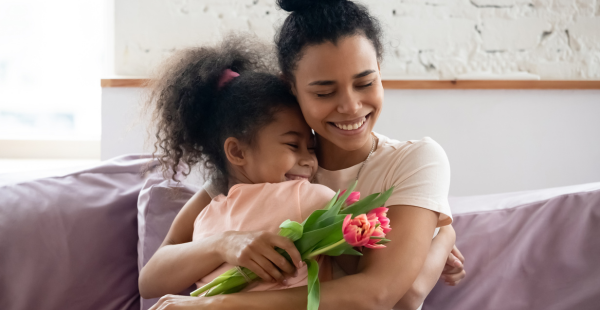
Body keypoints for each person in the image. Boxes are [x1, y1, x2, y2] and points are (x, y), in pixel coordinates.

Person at [148, 1, 466, 309]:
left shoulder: (416, 160)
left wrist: (443, 232)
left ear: (380, 71)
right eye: (324, 92)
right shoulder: (269, 164)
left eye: (366, 82)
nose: (351, 106)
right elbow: (153, 277)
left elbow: (393, 295)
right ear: (292, 88)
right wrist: (226, 243)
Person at [139, 37, 339, 297]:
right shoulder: (212, 201)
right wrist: (223, 244)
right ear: (236, 152)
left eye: (311, 148)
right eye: (292, 145)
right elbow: (150, 282)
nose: (308, 160)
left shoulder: (309, 195)